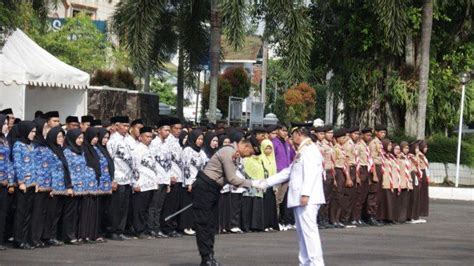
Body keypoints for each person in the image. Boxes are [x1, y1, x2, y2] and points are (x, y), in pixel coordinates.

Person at [254, 124, 325, 266]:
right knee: (302, 234)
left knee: (309, 233)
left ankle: (316, 263)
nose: (290, 138)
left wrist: (305, 194)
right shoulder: (303, 150)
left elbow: (310, 174)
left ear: (299, 134)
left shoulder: (310, 150)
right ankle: (305, 262)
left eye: (292, 135)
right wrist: (265, 182)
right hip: (301, 198)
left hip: (307, 198)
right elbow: (288, 172)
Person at [192, 133, 260, 266]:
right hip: (205, 188)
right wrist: (253, 183)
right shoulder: (229, 152)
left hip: (213, 189)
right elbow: (232, 178)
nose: (249, 155)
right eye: (250, 152)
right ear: (246, 146)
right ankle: (206, 258)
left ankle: (209, 256)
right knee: (203, 224)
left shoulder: (235, 153)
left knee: (211, 225)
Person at [45, 126, 74, 247]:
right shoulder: (49, 151)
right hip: (53, 187)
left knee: (58, 214)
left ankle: (54, 235)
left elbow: (65, 169)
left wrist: (68, 185)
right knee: (51, 214)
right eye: (58, 136)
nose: (61, 139)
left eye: (62, 136)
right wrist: (50, 186)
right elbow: (48, 170)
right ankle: (49, 236)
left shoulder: (60, 150)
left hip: (62, 187)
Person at [107, 116, 133, 241]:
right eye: (124, 126)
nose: (126, 128)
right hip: (118, 177)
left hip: (128, 178)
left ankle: (120, 230)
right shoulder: (113, 141)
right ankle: (113, 230)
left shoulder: (127, 140)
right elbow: (109, 160)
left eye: (128, 126)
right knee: (115, 207)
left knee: (124, 207)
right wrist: (112, 179)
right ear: (117, 126)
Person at [12, 120, 37, 249]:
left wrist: (35, 181)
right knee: (21, 212)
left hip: (32, 183)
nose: (33, 134)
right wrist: (21, 182)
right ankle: (18, 239)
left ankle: (25, 238)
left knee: (28, 212)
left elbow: (34, 164)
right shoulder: (18, 145)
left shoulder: (31, 145)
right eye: (31, 131)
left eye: (34, 132)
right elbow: (17, 164)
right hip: (23, 184)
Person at [131, 126, 158, 239]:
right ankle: (139, 230)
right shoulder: (137, 150)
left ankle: (146, 228)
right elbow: (135, 167)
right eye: (147, 136)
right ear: (140, 137)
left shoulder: (149, 149)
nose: (149, 139)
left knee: (147, 208)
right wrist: (135, 183)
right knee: (139, 209)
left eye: (151, 137)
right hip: (141, 183)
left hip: (150, 183)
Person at [149, 117, 173, 238]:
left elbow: (168, 165)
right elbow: (152, 163)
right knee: (153, 205)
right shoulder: (154, 144)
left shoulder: (167, 144)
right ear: (159, 130)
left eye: (169, 130)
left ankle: (157, 227)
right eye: (165, 130)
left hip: (165, 178)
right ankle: (152, 228)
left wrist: (168, 182)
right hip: (157, 179)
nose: (167, 133)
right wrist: (154, 179)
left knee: (159, 206)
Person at [180, 129, 207, 236]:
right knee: (187, 204)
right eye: (198, 139)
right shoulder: (187, 150)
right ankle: (186, 225)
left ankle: (193, 225)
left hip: (198, 182)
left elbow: (204, 167)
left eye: (201, 139)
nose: (200, 141)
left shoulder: (201, 152)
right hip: (190, 181)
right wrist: (188, 183)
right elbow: (186, 167)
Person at [30, 118, 52, 248]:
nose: (45, 131)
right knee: (36, 212)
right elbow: (34, 165)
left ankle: (39, 237)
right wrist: (36, 181)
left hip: (47, 183)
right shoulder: (35, 145)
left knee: (43, 212)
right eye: (43, 128)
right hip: (38, 183)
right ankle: (33, 238)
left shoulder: (45, 144)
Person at [161, 117, 184, 237]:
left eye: (180, 128)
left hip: (179, 176)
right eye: (176, 128)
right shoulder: (168, 141)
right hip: (172, 177)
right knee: (169, 205)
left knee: (175, 205)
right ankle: (167, 227)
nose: (178, 131)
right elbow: (166, 160)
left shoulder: (177, 141)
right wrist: (169, 175)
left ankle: (172, 226)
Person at [271, 124, 296, 231]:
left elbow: (292, 156)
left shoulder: (286, 143)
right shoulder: (274, 143)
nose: (285, 133)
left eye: (286, 131)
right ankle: (275, 221)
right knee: (276, 199)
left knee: (281, 199)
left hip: (286, 173)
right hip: (277, 172)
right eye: (283, 130)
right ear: (277, 131)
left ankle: (281, 221)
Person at [95, 128, 114, 242]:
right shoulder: (96, 150)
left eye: (107, 138)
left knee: (104, 210)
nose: (105, 140)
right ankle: (96, 232)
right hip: (98, 185)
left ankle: (102, 231)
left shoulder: (104, 149)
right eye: (104, 137)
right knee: (98, 210)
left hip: (106, 184)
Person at [352, 127, 373, 226]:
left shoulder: (366, 146)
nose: (369, 137)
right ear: (362, 135)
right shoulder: (359, 146)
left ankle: (359, 218)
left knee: (363, 196)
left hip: (366, 170)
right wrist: (357, 175)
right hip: (360, 170)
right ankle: (354, 218)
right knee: (358, 196)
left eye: (370, 135)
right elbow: (357, 161)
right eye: (367, 135)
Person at [367, 125, 386, 226]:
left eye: (384, 132)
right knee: (373, 193)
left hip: (380, 167)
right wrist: (374, 173)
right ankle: (370, 216)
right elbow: (372, 159)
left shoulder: (380, 143)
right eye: (381, 132)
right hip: (374, 168)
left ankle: (375, 215)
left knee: (378, 193)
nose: (383, 134)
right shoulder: (373, 143)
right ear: (376, 133)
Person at [341, 127, 359, 227]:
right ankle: (345, 218)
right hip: (349, 169)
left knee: (352, 195)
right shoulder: (348, 144)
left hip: (353, 168)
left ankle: (348, 217)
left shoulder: (353, 144)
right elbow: (346, 161)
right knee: (347, 196)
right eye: (355, 133)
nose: (357, 135)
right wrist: (348, 177)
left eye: (358, 134)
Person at [0, 114, 13, 250]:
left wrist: (9, 180)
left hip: (4, 183)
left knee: (3, 212)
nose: (6, 126)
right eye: (4, 124)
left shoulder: (5, 140)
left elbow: (8, 162)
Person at [260, 139, 279, 232]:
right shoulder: (261, 158)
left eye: (270, 148)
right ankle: (264, 224)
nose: (268, 151)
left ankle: (271, 224)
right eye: (266, 148)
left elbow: (274, 172)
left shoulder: (272, 159)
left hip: (272, 185)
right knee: (265, 205)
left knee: (271, 206)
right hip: (264, 184)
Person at [417, 140, 430, 218]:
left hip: (424, 174)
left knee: (423, 194)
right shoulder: (419, 155)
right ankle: (418, 212)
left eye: (426, 147)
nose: (426, 149)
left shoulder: (423, 155)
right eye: (425, 147)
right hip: (421, 174)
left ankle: (422, 212)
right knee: (420, 194)